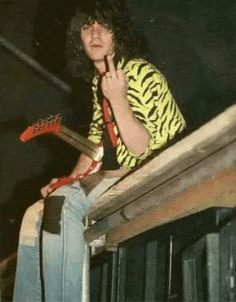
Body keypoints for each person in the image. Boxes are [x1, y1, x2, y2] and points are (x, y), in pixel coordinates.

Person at [13, 1, 186, 301]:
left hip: (159, 177)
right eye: (86, 26)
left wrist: (118, 98)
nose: (94, 33)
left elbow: (139, 146)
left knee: (64, 204)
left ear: (117, 35)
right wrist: (67, 181)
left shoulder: (138, 72)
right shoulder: (99, 82)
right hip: (117, 177)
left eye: (104, 26)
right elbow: (96, 144)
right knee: (34, 214)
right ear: (77, 38)